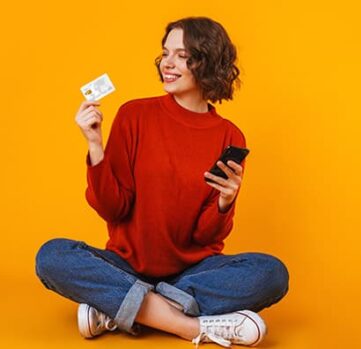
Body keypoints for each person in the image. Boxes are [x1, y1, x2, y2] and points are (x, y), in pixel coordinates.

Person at [35, 16, 289, 348]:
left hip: (191, 275)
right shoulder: (134, 115)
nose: (167, 64)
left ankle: (121, 309)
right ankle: (189, 327)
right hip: (125, 264)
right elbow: (114, 208)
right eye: (165, 53)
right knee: (52, 256)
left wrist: (225, 203)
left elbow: (205, 237)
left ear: (207, 61)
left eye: (182, 55)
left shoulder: (229, 135)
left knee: (271, 273)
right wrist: (95, 146)